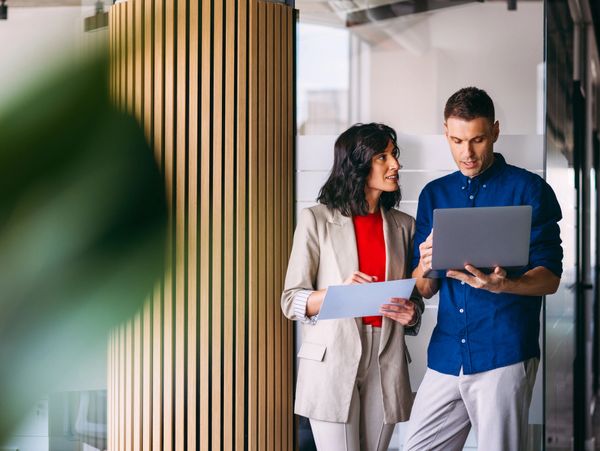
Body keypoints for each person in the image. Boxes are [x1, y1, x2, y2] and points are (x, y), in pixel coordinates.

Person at [404, 87, 563, 451]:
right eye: (457, 140)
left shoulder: (529, 190)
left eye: (477, 139)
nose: (467, 152)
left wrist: (503, 285)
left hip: (503, 353)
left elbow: (550, 278)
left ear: (494, 131)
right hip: (446, 355)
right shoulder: (433, 194)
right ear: (445, 132)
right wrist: (425, 267)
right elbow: (425, 290)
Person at [281, 123, 424, 451]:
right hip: (332, 358)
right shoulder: (316, 219)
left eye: (394, 155)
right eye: (382, 157)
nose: (395, 165)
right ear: (358, 164)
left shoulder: (404, 226)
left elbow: (412, 299)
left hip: (385, 360)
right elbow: (291, 301)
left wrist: (412, 314)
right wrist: (335, 295)